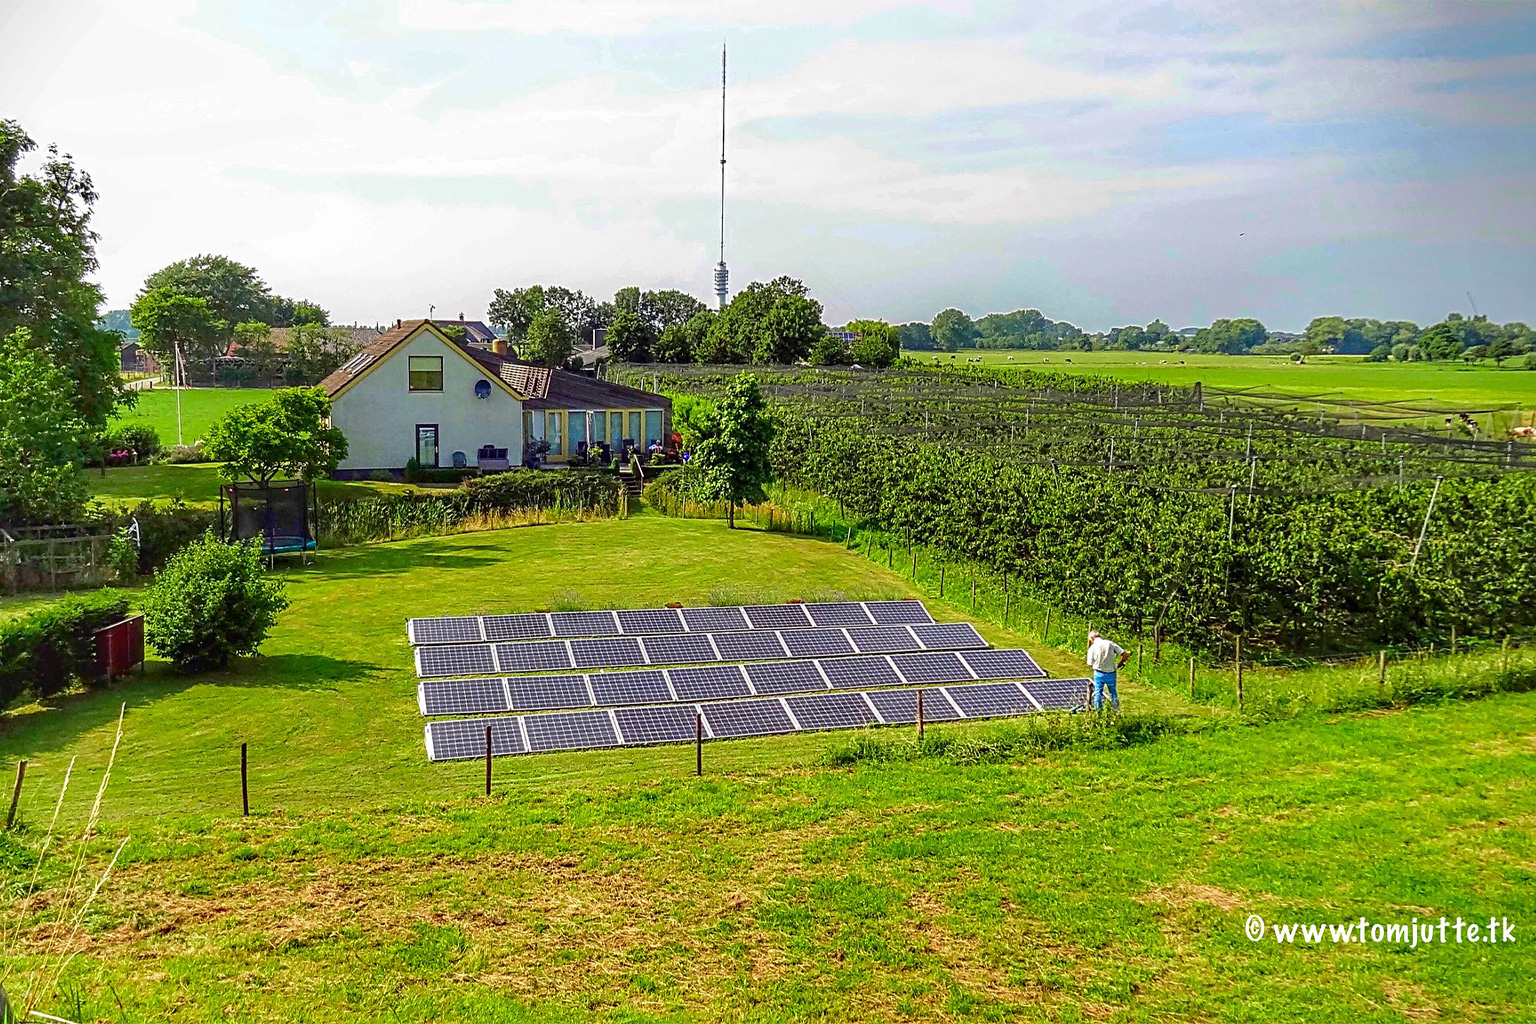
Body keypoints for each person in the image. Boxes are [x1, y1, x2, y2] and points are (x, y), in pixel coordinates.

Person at [1085, 629, 1129, 711]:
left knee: (1098, 692)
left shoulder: (1092, 648)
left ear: (1092, 639)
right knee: (1113, 692)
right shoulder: (1110, 643)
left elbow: (1090, 663)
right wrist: (1120, 663)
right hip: (1111, 672)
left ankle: (1098, 711)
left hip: (1099, 672)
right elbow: (1125, 655)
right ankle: (1116, 710)